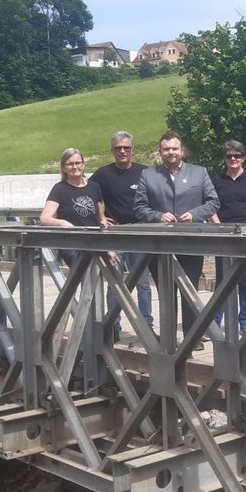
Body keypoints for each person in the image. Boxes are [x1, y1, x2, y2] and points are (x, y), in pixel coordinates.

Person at [133, 131, 219, 350]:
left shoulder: (199, 173)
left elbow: (213, 202)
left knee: (189, 289)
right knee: (166, 291)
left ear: (182, 150)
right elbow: (139, 208)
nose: (170, 152)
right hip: (159, 244)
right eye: (166, 149)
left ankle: (192, 337)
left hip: (191, 241)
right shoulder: (148, 175)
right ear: (160, 151)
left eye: (174, 148)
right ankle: (169, 337)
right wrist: (158, 216)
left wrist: (196, 214)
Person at [88, 131, 154, 340]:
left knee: (143, 283)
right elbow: (87, 195)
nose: (122, 151)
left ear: (132, 150)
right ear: (112, 151)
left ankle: (147, 325)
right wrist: (101, 218)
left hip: (139, 234)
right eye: (118, 148)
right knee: (114, 283)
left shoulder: (145, 172)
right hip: (115, 236)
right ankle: (113, 325)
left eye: (126, 147)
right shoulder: (102, 174)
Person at [210, 140, 246, 334]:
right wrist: (218, 228)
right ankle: (216, 319)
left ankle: (244, 320)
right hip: (223, 233)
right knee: (222, 280)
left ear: (243, 157)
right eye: (229, 156)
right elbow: (211, 206)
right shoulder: (216, 180)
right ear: (225, 158)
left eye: (237, 155)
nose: (233, 159)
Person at [40, 148, 106, 267]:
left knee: (108, 274)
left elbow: (102, 218)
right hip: (71, 244)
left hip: (95, 242)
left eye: (78, 163)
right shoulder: (59, 189)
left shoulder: (94, 187)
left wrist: (109, 247)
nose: (75, 167)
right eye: (70, 164)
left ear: (83, 165)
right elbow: (44, 218)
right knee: (83, 273)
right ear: (63, 168)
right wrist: (62, 223)